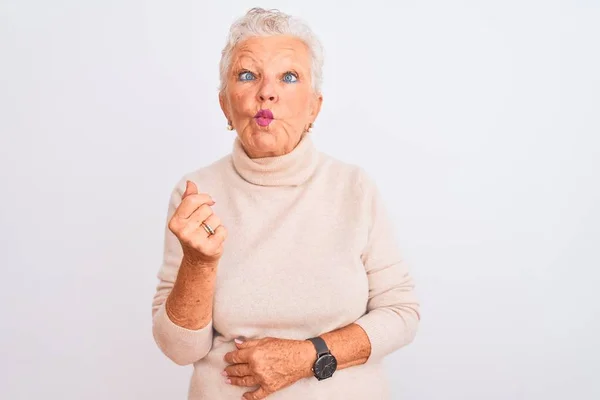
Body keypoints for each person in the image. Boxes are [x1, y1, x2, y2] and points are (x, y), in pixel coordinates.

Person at [151, 7, 420, 400]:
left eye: (289, 77)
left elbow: (402, 313)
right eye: (247, 75)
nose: (266, 92)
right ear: (226, 104)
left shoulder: (353, 188)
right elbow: (179, 349)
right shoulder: (196, 194)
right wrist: (199, 263)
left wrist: (309, 356)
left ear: (314, 106)